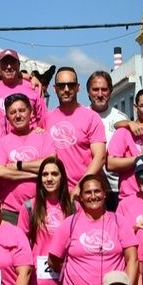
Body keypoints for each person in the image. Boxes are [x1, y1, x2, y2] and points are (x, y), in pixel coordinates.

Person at [60, 174, 136, 285]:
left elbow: (132, 259)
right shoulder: (69, 223)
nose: (93, 196)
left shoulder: (119, 221)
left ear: (105, 194)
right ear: (80, 197)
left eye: (97, 191)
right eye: (88, 192)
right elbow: (54, 259)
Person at [20, 158, 74, 285]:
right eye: (45, 174)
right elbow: (22, 245)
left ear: (62, 177)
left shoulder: (74, 206)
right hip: (40, 284)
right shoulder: (29, 207)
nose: (49, 178)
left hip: (67, 282)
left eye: (54, 174)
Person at [44, 66, 107, 194]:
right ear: (55, 89)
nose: (66, 89)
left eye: (71, 85)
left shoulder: (91, 117)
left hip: (85, 193)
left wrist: (79, 187)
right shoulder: (46, 119)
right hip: (56, 193)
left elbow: (100, 157)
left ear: (78, 87)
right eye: (61, 86)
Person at [0, 95, 55, 220]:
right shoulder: (3, 142)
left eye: (22, 110)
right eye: (12, 112)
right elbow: (0, 171)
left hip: (42, 208)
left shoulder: (44, 137)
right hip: (11, 212)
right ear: (7, 117)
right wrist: (36, 174)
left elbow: (50, 165)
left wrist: (18, 165)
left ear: (31, 112)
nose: (18, 115)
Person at [86, 70, 131, 208]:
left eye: (104, 89)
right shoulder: (82, 116)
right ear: (88, 92)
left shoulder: (121, 118)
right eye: (95, 89)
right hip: (90, 188)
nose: (100, 94)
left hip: (116, 188)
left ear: (110, 91)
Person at [0, 49, 46, 131]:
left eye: (12, 62)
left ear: (19, 65)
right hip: (1, 138)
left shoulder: (33, 88)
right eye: (5, 63)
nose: (9, 67)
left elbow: (44, 119)